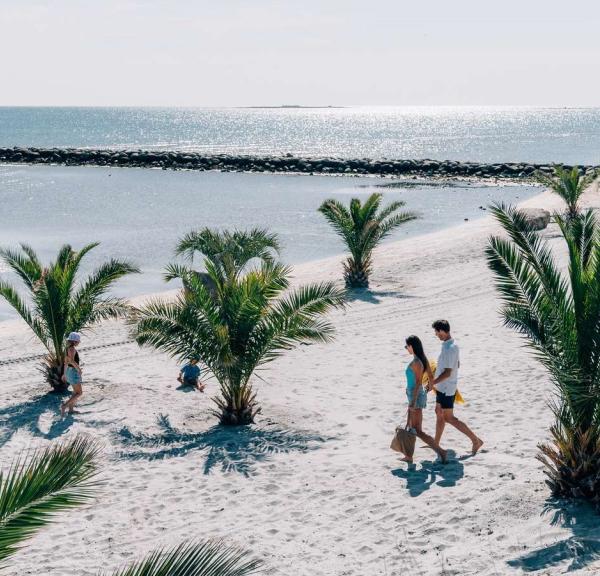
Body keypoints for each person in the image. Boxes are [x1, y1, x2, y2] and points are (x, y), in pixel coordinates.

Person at [429, 320, 484, 454]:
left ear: (442, 330)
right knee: (439, 414)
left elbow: (448, 372)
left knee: (449, 418)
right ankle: (436, 444)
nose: (436, 334)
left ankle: (476, 440)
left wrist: (432, 383)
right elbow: (457, 364)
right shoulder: (450, 345)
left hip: (446, 389)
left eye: (436, 332)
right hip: (443, 388)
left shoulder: (450, 348)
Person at [402, 335, 447, 463]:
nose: (406, 349)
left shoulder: (417, 362)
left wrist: (413, 401)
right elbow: (431, 378)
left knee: (417, 430)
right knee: (411, 427)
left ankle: (441, 451)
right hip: (416, 394)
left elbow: (417, 383)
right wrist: (427, 389)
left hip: (415, 395)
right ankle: (409, 456)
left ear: (412, 346)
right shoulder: (422, 359)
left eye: (407, 346)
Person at [60, 332, 83, 417]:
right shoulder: (72, 349)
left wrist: (64, 374)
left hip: (69, 371)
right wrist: (79, 370)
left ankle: (71, 410)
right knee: (79, 393)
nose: (79, 342)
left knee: (75, 392)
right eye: (78, 341)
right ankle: (64, 406)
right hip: (73, 371)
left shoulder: (67, 348)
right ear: (74, 341)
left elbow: (66, 362)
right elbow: (72, 361)